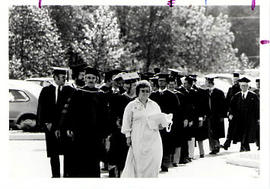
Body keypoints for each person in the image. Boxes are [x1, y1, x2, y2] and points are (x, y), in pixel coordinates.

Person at [121, 80, 164, 177]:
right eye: (143, 91)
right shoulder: (131, 105)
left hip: (153, 138)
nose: (145, 93)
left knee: (154, 162)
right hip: (138, 138)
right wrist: (128, 137)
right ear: (138, 92)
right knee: (139, 165)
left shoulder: (154, 105)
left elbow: (160, 121)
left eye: (147, 91)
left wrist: (162, 125)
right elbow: (126, 122)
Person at [37, 67, 74, 178]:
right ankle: (55, 175)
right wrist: (46, 123)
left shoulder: (70, 90)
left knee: (67, 152)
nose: (65, 79)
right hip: (51, 126)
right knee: (54, 153)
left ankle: (67, 174)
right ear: (55, 77)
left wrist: (70, 126)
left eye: (65, 77)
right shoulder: (46, 90)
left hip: (65, 126)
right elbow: (41, 108)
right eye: (63, 77)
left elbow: (72, 110)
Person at [149, 73, 179, 172]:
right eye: (159, 81)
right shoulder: (153, 95)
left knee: (166, 144)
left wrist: (167, 121)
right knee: (156, 144)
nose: (160, 82)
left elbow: (176, 110)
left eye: (162, 81)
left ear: (166, 82)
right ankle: (157, 163)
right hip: (155, 124)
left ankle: (165, 163)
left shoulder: (172, 95)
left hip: (166, 124)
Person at [229, 77, 259, 152]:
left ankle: (243, 148)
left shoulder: (253, 96)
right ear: (240, 86)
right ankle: (245, 149)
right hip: (239, 120)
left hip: (250, 119)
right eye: (242, 86)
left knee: (247, 134)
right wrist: (231, 114)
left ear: (248, 86)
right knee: (241, 134)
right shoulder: (237, 96)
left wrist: (258, 118)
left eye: (245, 86)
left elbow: (257, 108)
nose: (244, 87)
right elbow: (232, 107)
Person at [204, 77, 227, 155]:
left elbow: (224, 105)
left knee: (216, 131)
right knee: (210, 132)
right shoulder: (206, 92)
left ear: (210, 83)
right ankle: (213, 147)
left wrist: (222, 116)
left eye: (206, 82)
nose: (205, 83)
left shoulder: (219, 92)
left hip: (217, 116)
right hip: (209, 115)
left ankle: (216, 146)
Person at [222, 72, 241, 150]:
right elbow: (227, 101)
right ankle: (227, 143)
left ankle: (243, 145)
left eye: (237, 80)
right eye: (234, 80)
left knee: (241, 128)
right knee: (231, 128)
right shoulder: (230, 89)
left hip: (240, 112)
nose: (235, 82)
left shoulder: (241, 89)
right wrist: (227, 112)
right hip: (232, 112)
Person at [253, 78, 260, 150]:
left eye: (259, 84)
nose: (258, 85)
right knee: (257, 130)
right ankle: (258, 144)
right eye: (257, 84)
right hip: (256, 113)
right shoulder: (254, 92)